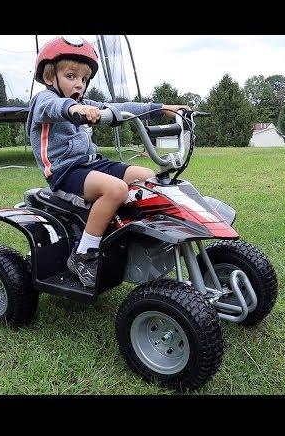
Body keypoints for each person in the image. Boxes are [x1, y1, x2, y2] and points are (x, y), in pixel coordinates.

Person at [26, 36, 189, 287]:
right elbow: (58, 107)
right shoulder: (44, 101)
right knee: (116, 189)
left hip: (92, 163)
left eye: (83, 78)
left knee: (146, 176)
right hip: (64, 172)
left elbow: (122, 107)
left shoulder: (85, 103)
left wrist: (161, 108)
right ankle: (84, 253)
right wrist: (74, 110)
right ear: (50, 78)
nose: (79, 83)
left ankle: (128, 233)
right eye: (71, 76)